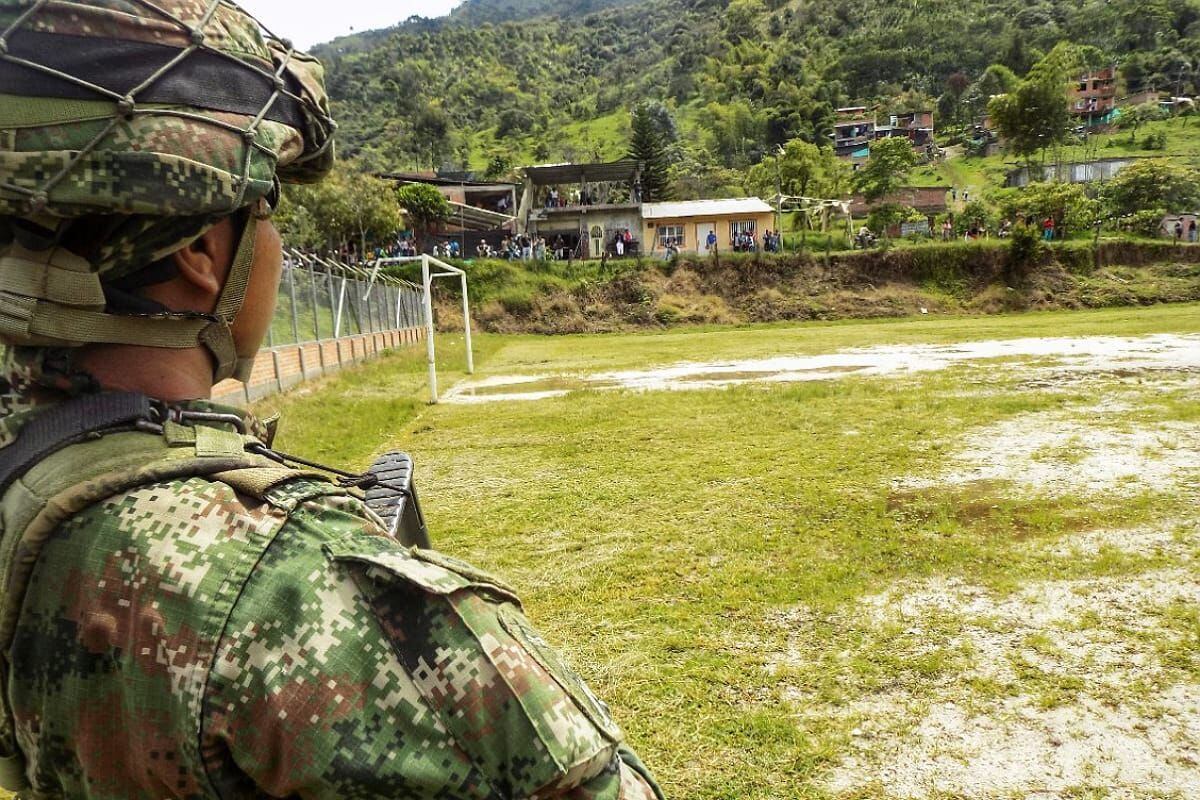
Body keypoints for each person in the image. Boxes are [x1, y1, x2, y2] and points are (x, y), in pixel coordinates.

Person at [0, 2, 662, 799]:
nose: (276, 244)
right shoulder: (292, 585)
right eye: (267, 212)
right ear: (200, 254)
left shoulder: (27, 480)